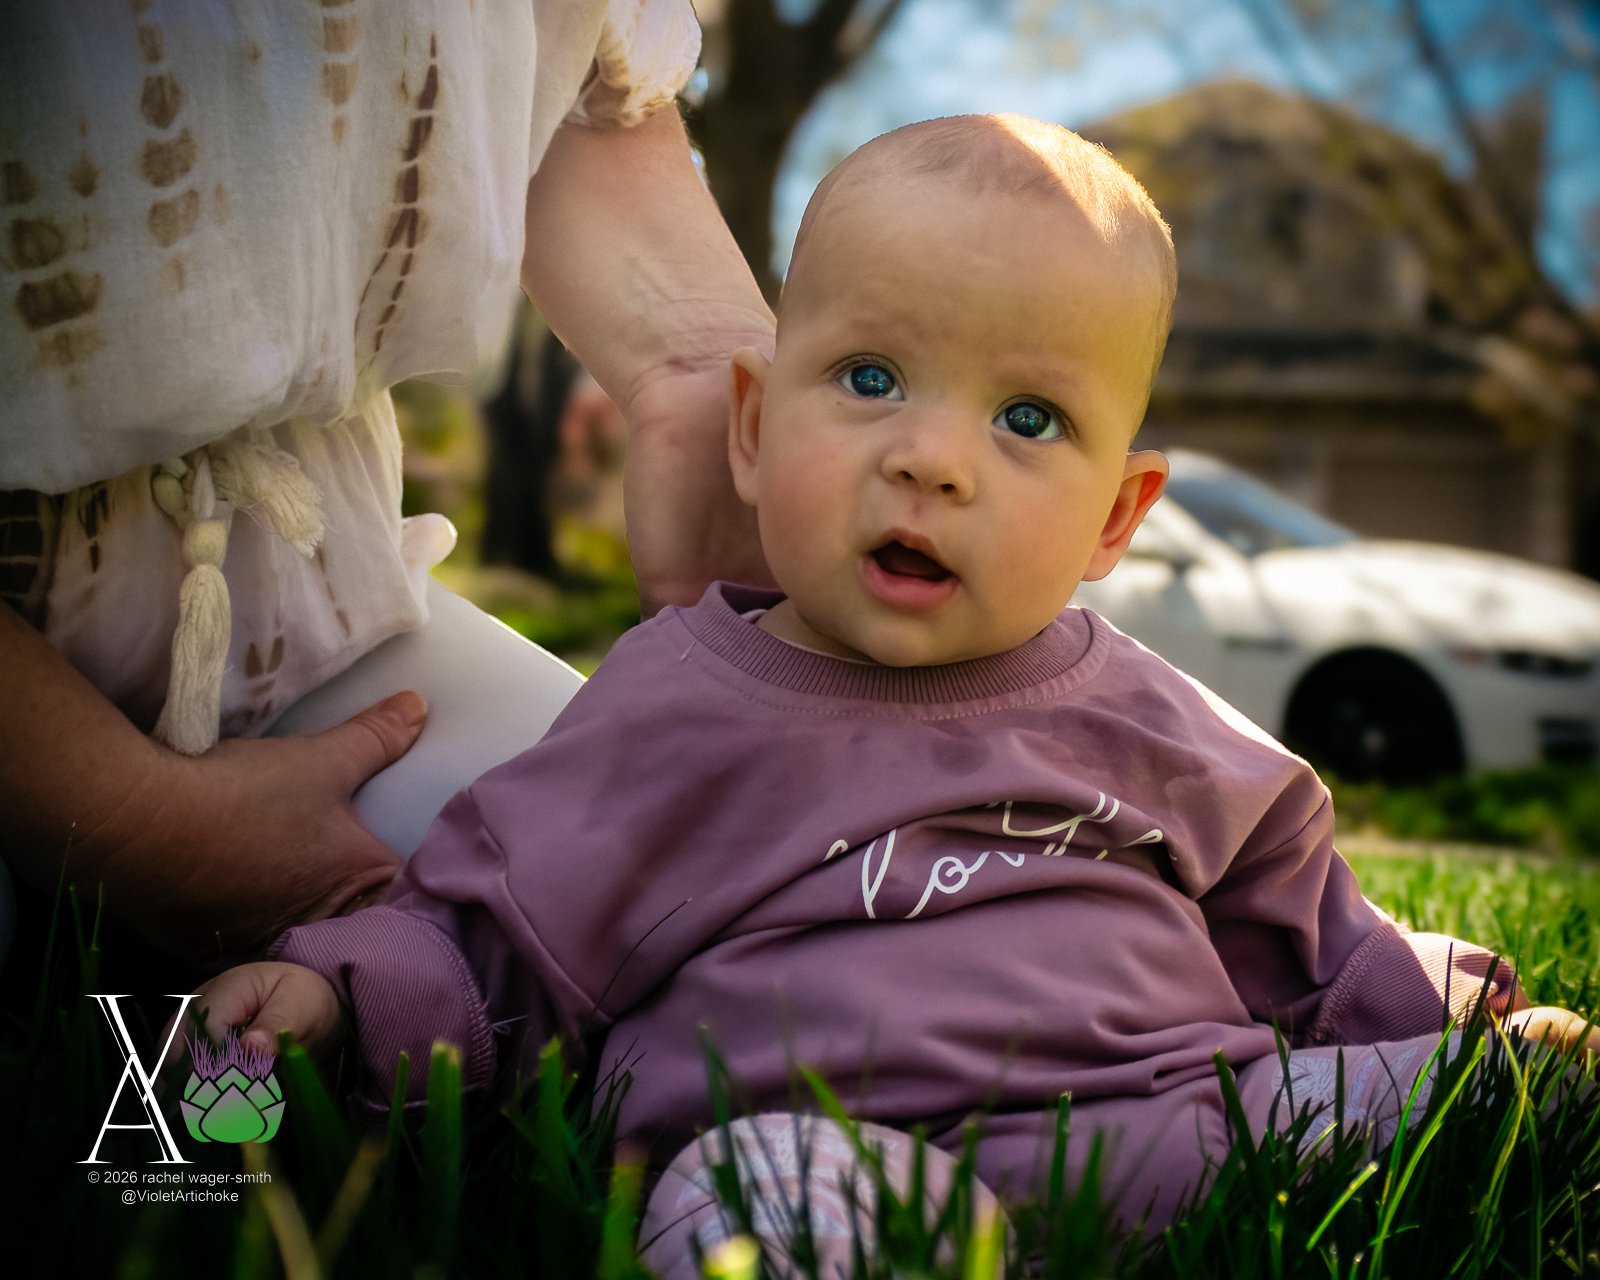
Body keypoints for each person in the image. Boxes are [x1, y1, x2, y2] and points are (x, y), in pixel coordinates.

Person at [186, 115, 1597, 1263]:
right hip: (846, 1162)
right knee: (746, 1202)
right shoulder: (675, 705)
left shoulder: (1153, 716)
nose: (935, 460)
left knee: (1496, 1084)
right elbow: (489, 940)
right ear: (751, 425)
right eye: (870, 376)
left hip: (1185, 1124)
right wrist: (334, 994)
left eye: (1026, 418)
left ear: (1117, 517)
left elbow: (1317, 938)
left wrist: (1459, 1013)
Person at [0, 0, 774, 968]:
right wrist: (129, 822)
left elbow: (565, 68)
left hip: (311, 595)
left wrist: (703, 375)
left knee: (697, 900)